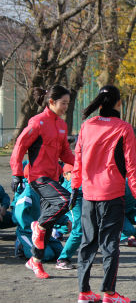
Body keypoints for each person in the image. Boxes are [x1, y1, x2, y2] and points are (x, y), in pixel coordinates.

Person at [72, 85, 136, 303]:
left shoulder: (86, 125)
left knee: (87, 243)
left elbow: (78, 159)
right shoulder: (123, 127)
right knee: (110, 245)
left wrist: (75, 187)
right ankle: (109, 294)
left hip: (88, 194)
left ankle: (84, 293)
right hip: (112, 194)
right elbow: (132, 165)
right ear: (118, 103)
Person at [10, 85, 74, 279]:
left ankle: (35, 262)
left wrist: (83, 165)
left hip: (54, 177)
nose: (66, 107)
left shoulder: (62, 126)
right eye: (63, 103)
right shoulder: (37, 122)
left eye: (68, 104)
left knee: (47, 228)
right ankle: (38, 227)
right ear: (51, 102)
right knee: (65, 199)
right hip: (38, 177)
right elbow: (20, 146)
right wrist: (17, 173)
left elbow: (65, 153)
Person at [55, 164, 82, 270]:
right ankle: (62, 259)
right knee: (79, 229)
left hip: (86, 194)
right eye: (71, 172)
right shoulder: (67, 185)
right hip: (76, 197)